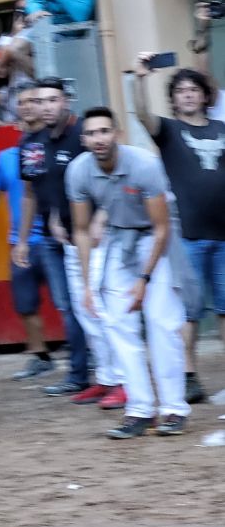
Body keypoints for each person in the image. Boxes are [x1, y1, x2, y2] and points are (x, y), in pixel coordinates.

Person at [66, 108, 188, 439]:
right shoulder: (78, 171)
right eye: (91, 134)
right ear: (83, 140)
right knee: (117, 323)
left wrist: (144, 280)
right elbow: (79, 230)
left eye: (105, 131)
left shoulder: (143, 165)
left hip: (155, 239)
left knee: (162, 322)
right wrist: (89, 284)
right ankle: (140, 410)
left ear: (117, 134)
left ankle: (174, 408)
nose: (98, 139)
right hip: (119, 239)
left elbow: (161, 228)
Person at [134, 55, 223, 405]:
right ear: (173, 99)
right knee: (189, 310)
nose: (187, 95)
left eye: (193, 90)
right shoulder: (168, 131)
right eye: (181, 91)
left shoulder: (222, 130)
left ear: (204, 96)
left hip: (224, 234)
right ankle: (189, 376)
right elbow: (142, 115)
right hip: (187, 235)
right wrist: (140, 80)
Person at [16, 79, 109, 401]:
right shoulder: (31, 144)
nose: (46, 106)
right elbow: (30, 193)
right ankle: (81, 376)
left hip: (98, 237)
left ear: (66, 101)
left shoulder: (86, 134)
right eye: (40, 101)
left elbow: (109, 178)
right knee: (70, 309)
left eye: (53, 100)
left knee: (102, 306)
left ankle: (114, 377)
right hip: (56, 238)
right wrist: (24, 239)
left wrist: (101, 217)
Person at [0, 111, 57, 381]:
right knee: (25, 304)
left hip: (55, 239)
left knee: (69, 301)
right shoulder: (6, 158)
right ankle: (40, 356)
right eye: (25, 109)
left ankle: (87, 354)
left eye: (35, 107)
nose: (31, 115)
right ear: (17, 123)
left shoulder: (56, 152)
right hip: (21, 242)